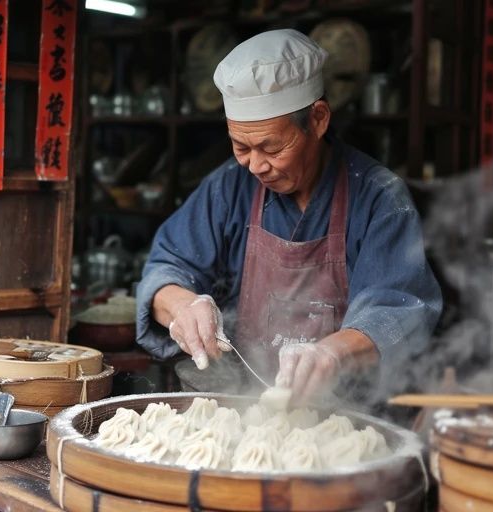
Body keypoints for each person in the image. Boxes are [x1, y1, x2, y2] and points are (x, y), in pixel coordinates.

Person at [136, 29, 442, 404]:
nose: (256, 165)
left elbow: (397, 309)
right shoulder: (228, 188)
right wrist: (182, 306)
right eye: (241, 147)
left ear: (317, 118)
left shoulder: (379, 197)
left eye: (271, 147)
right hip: (238, 404)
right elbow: (167, 268)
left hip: (351, 412)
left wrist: (331, 353)